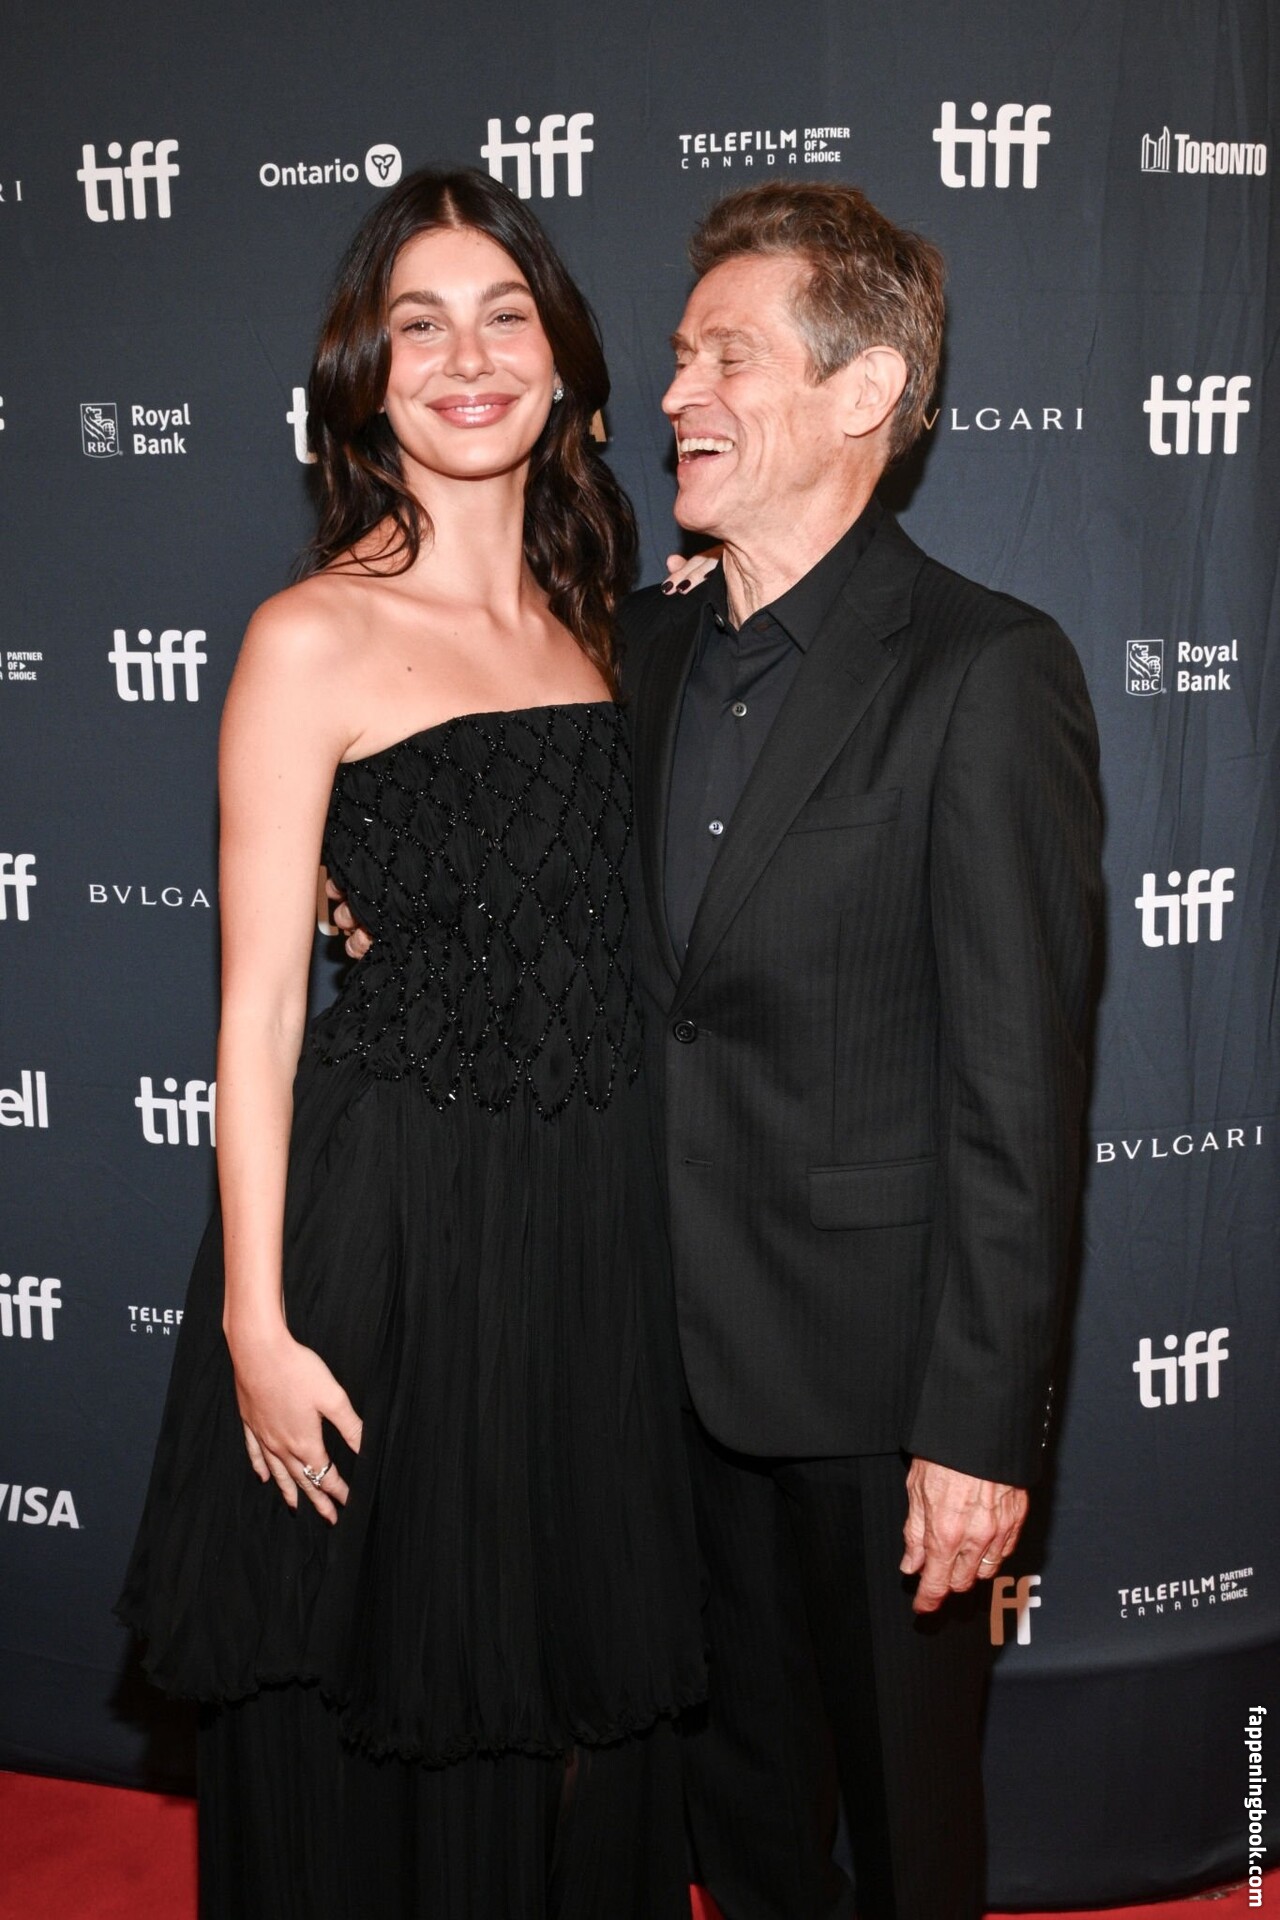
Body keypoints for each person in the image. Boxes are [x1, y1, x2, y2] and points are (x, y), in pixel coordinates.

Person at [117, 167, 705, 1920]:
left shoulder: (611, 628)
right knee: (366, 1708)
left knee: (568, 1719)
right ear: (366, 381)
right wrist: (254, 1321)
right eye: (420, 325)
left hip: (588, 1239)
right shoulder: (311, 635)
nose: (469, 358)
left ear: (564, 361)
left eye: (505, 316)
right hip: (396, 1233)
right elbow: (259, 1009)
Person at [617, 179, 1102, 1920]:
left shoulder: (985, 672)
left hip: (882, 1401)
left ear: (865, 391)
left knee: (906, 1835)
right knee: (734, 1830)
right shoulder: (640, 646)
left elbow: (1018, 1093)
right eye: (681, 358)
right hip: (657, 1376)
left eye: (726, 357)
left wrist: (980, 1427)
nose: (676, 393)